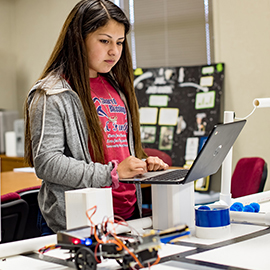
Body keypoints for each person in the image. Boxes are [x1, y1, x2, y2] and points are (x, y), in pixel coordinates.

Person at [24, 0, 169, 234]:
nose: (114, 51)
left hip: (127, 214)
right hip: (80, 220)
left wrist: (143, 164)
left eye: (120, 42)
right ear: (78, 39)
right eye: (105, 41)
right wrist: (111, 173)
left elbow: (118, 151)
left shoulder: (116, 87)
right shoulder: (51, 93)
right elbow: (47, 163)